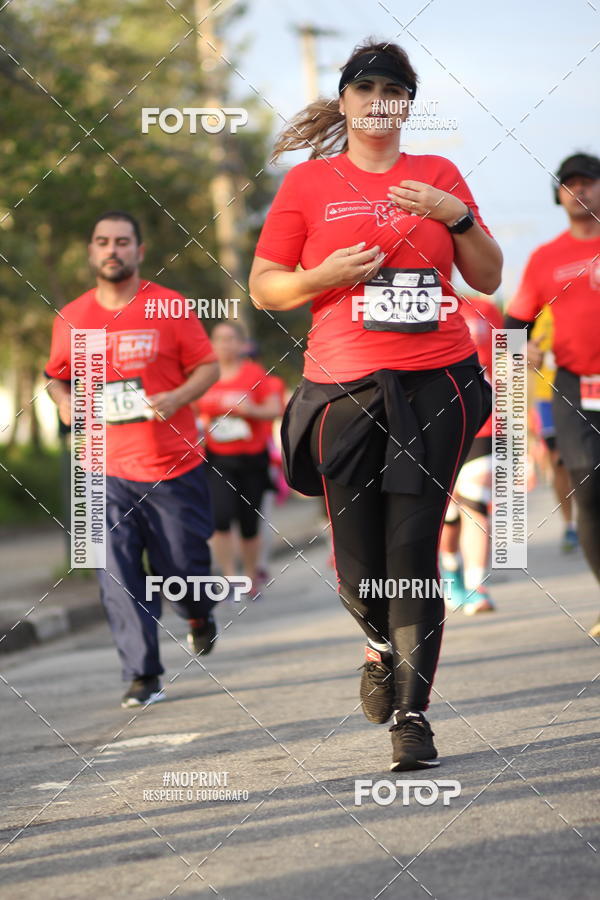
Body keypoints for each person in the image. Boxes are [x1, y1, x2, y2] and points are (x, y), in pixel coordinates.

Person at [249, 40, 502, 770]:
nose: (379, 98)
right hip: (343, 387)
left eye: (394, 88)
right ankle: (377, 644)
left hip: (436, 379)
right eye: (365, 87)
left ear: (407, 104)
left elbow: (487, 276)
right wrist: (319, 275)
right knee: (360, 567)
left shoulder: (438, 176)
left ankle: (414, 717)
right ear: (346, 101)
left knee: (414, 552)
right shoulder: (307, 184)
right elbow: (266, 285)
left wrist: (457, 217)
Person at [45, 211, 220, 708]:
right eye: (102, 241)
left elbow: (207, 367)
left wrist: (178, 396)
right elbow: (56, 373)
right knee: (117, 573)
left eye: (122, 241)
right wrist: (63, 401)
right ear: (91, 252)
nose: (112, 250)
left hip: (173, 465)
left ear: (139, 251)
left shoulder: (169, 306)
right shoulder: (73, 317)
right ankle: (143, 674)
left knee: (184, 566)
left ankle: (198, 612)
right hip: (103, 469)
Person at [505, 153, 600, 641]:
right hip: (573, 387)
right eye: (570, 185)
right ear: (559, 196)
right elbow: (513, 324)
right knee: (589, 493)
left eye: (589, 182)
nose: (580, 191)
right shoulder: (545, 258)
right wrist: (524, 356)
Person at [196, 321, 283, 595]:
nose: (225, 344)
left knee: (249, 523)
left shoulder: (253, 372)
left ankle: (249, 576)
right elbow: (189, 409)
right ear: (211, 344)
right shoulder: (204, 375)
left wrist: (249, 409)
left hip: (252, 459)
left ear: (241, 344)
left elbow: (274, 409)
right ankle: (230, 576)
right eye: (219, 339)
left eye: (231, 339)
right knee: (220, 518)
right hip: (218, 458)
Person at [440, 294, 503, 615]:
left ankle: (477, 583)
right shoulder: (420, 303)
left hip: (483, 420)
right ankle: (451, 573)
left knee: (476, 498)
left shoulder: (487, 310)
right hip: (436, 422)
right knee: (447, 512)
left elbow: (508, 367)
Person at [530, 305, 578, 552]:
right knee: (559, 462)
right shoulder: (535, 308)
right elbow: (513, 344)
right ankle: (570, 525)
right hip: (548, 397)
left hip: (586, 391)